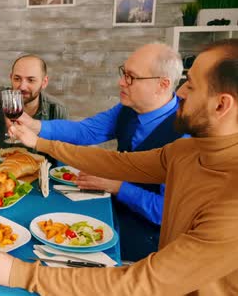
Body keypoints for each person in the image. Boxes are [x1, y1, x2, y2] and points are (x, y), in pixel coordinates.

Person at [0, 39, 238, 295]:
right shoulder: (188, 151)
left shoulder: (231, 201)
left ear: (221, 105)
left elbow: (147, 282)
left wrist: (22, 274)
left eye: (190, 85)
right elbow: (116, 162)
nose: (180, 93)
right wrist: (40, 142)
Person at [14, 43, 185, 261]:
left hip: (145, 246)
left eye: (131, 77)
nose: (121, 82)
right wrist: (35, 125)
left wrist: (116, 186)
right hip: (111, 212)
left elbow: (165, 211)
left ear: (163, 84)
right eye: (123, 73)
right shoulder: (127, 109)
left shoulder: (186, 135)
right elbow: (86, 131)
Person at [0, 54, 68, 148]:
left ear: (44, 82)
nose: (22, 87)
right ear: (11, 78)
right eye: (17, 79)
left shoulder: (56, 109)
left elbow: (62, 147)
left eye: (31, 80)